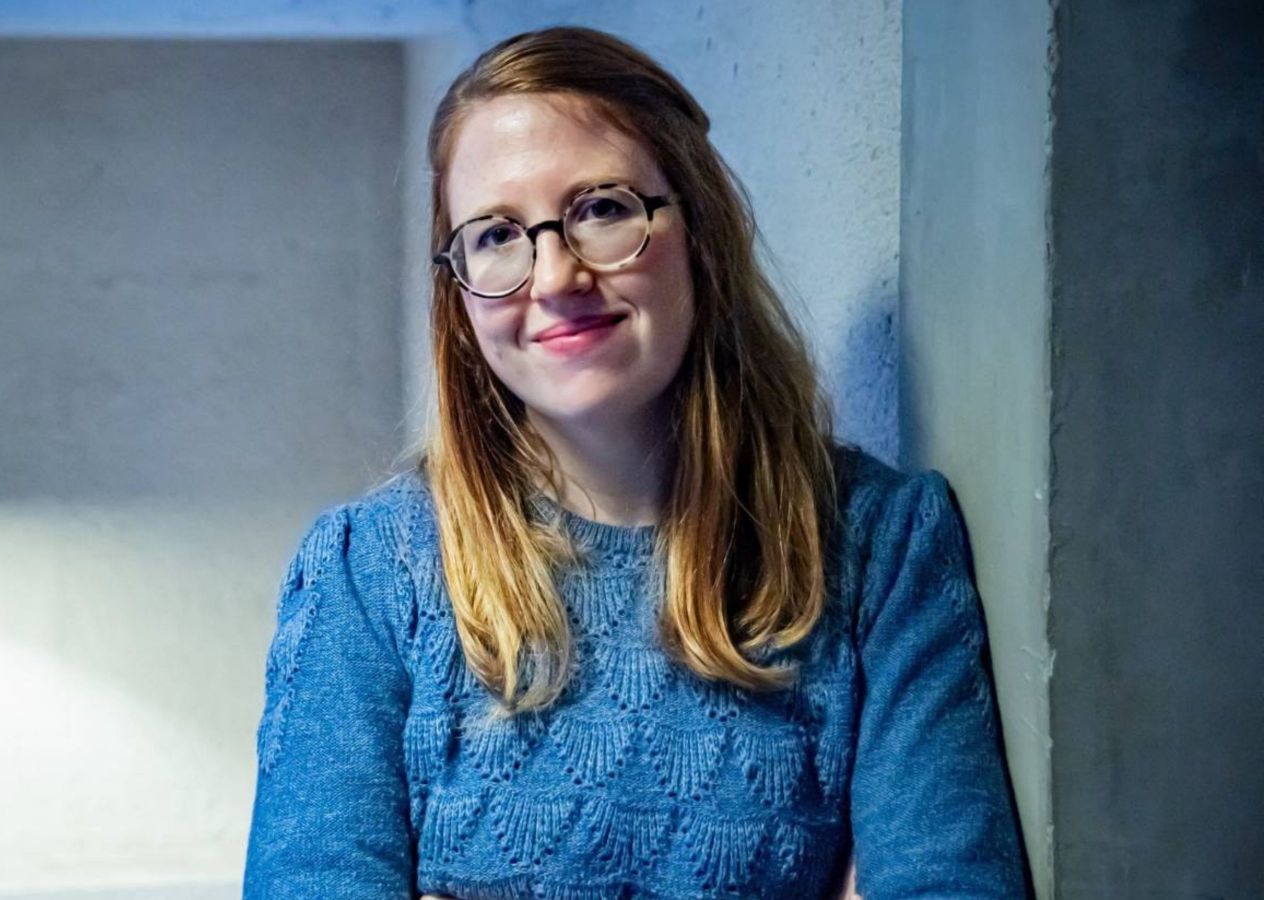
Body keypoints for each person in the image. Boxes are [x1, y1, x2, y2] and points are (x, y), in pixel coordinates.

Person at [242, 25, 1027, 900]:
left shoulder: (881, 545)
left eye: (602, 210)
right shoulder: (368, 574)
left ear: (699, 230)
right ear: (457, 287)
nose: (552, 276)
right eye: (497, 235)